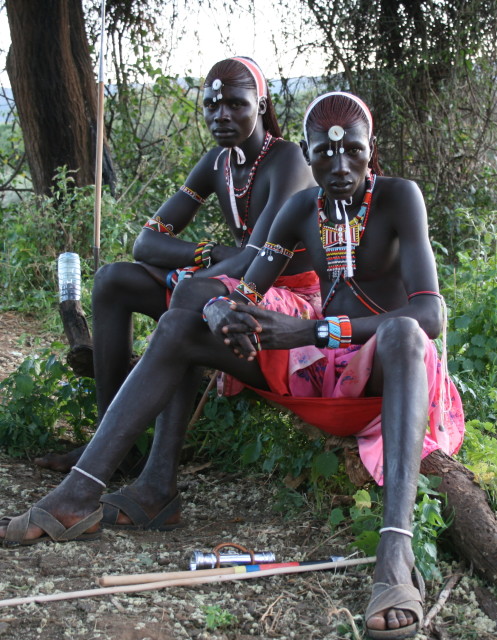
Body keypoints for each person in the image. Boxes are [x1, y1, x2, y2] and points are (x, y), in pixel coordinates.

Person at [1, 92, 464, 639]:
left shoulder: (399, 198)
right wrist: (227, 309)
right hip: (316, 373)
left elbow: (430, 311)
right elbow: (247, 286)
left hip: (386, 374)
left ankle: (394, 552)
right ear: (308, 154)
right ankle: (82, 493)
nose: (339, 169)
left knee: (406, 333)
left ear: (371, 152)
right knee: (179, 325)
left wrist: (312, 329)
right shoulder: (300, 210)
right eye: (324, 157)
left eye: (353, 155)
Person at [34, 56, 317, 474]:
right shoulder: (217, 163)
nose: (221, 115)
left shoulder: (287, 160)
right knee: (113, 280)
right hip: (228, 283)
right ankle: (110, 445)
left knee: (190, 292)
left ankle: (156, 479)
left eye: (236, 104)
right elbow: (146, 242)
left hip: (286, 296)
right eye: (211, 106)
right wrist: (205, 254)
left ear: (261, 104)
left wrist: (195, 275)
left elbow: (257, 260)